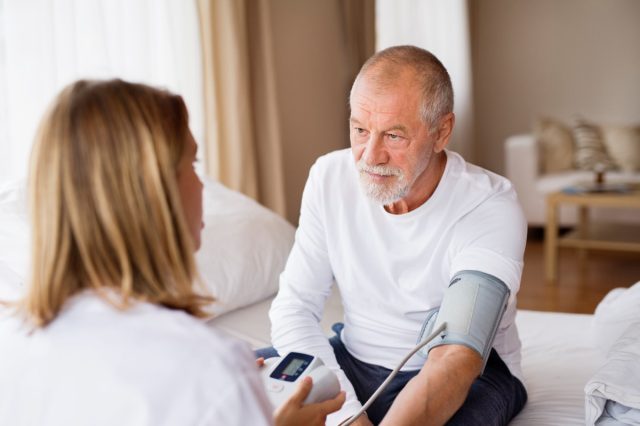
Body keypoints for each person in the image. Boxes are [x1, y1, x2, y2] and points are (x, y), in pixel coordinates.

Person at [0, 79, 344, 425]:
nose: (201, 185)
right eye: (192, 165)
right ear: (152, 194)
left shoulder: (13, 353)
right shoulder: (204, 370)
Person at [264, 45, 528, 425]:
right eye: (359, 130)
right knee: (235, 389)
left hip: (471, 377)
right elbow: (294, 308)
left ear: (442, 132)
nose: (370, 156)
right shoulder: (328, 178)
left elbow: (457, 355)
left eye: (393, 136)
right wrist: (349, 416)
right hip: (352, 360)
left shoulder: (489, 205)